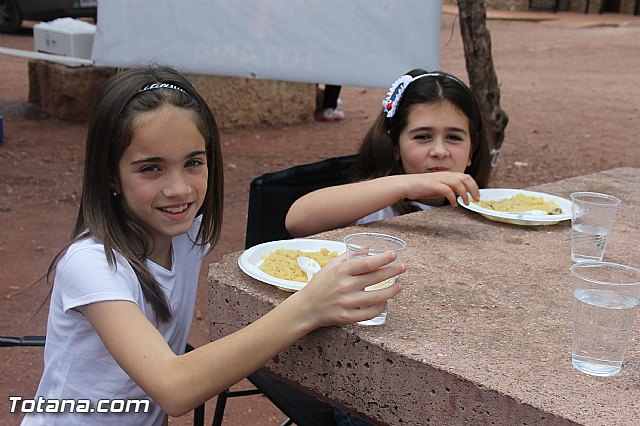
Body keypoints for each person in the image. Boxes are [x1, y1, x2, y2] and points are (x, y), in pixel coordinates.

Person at [22, 65, 405, 425]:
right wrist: (309, 306)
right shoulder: (92, 263)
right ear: (110, 176)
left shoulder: (186, 236)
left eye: (193, 162)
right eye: (151, 168)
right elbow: (174, 388)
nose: (179, 188)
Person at [286, 69, 492, 237]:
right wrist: (406, 185)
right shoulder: (375, 207)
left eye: (454, 137)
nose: (439, 151)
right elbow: (297, 221)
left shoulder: (487, 209)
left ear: (472, 150)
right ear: (394, 145)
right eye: (423, 136)